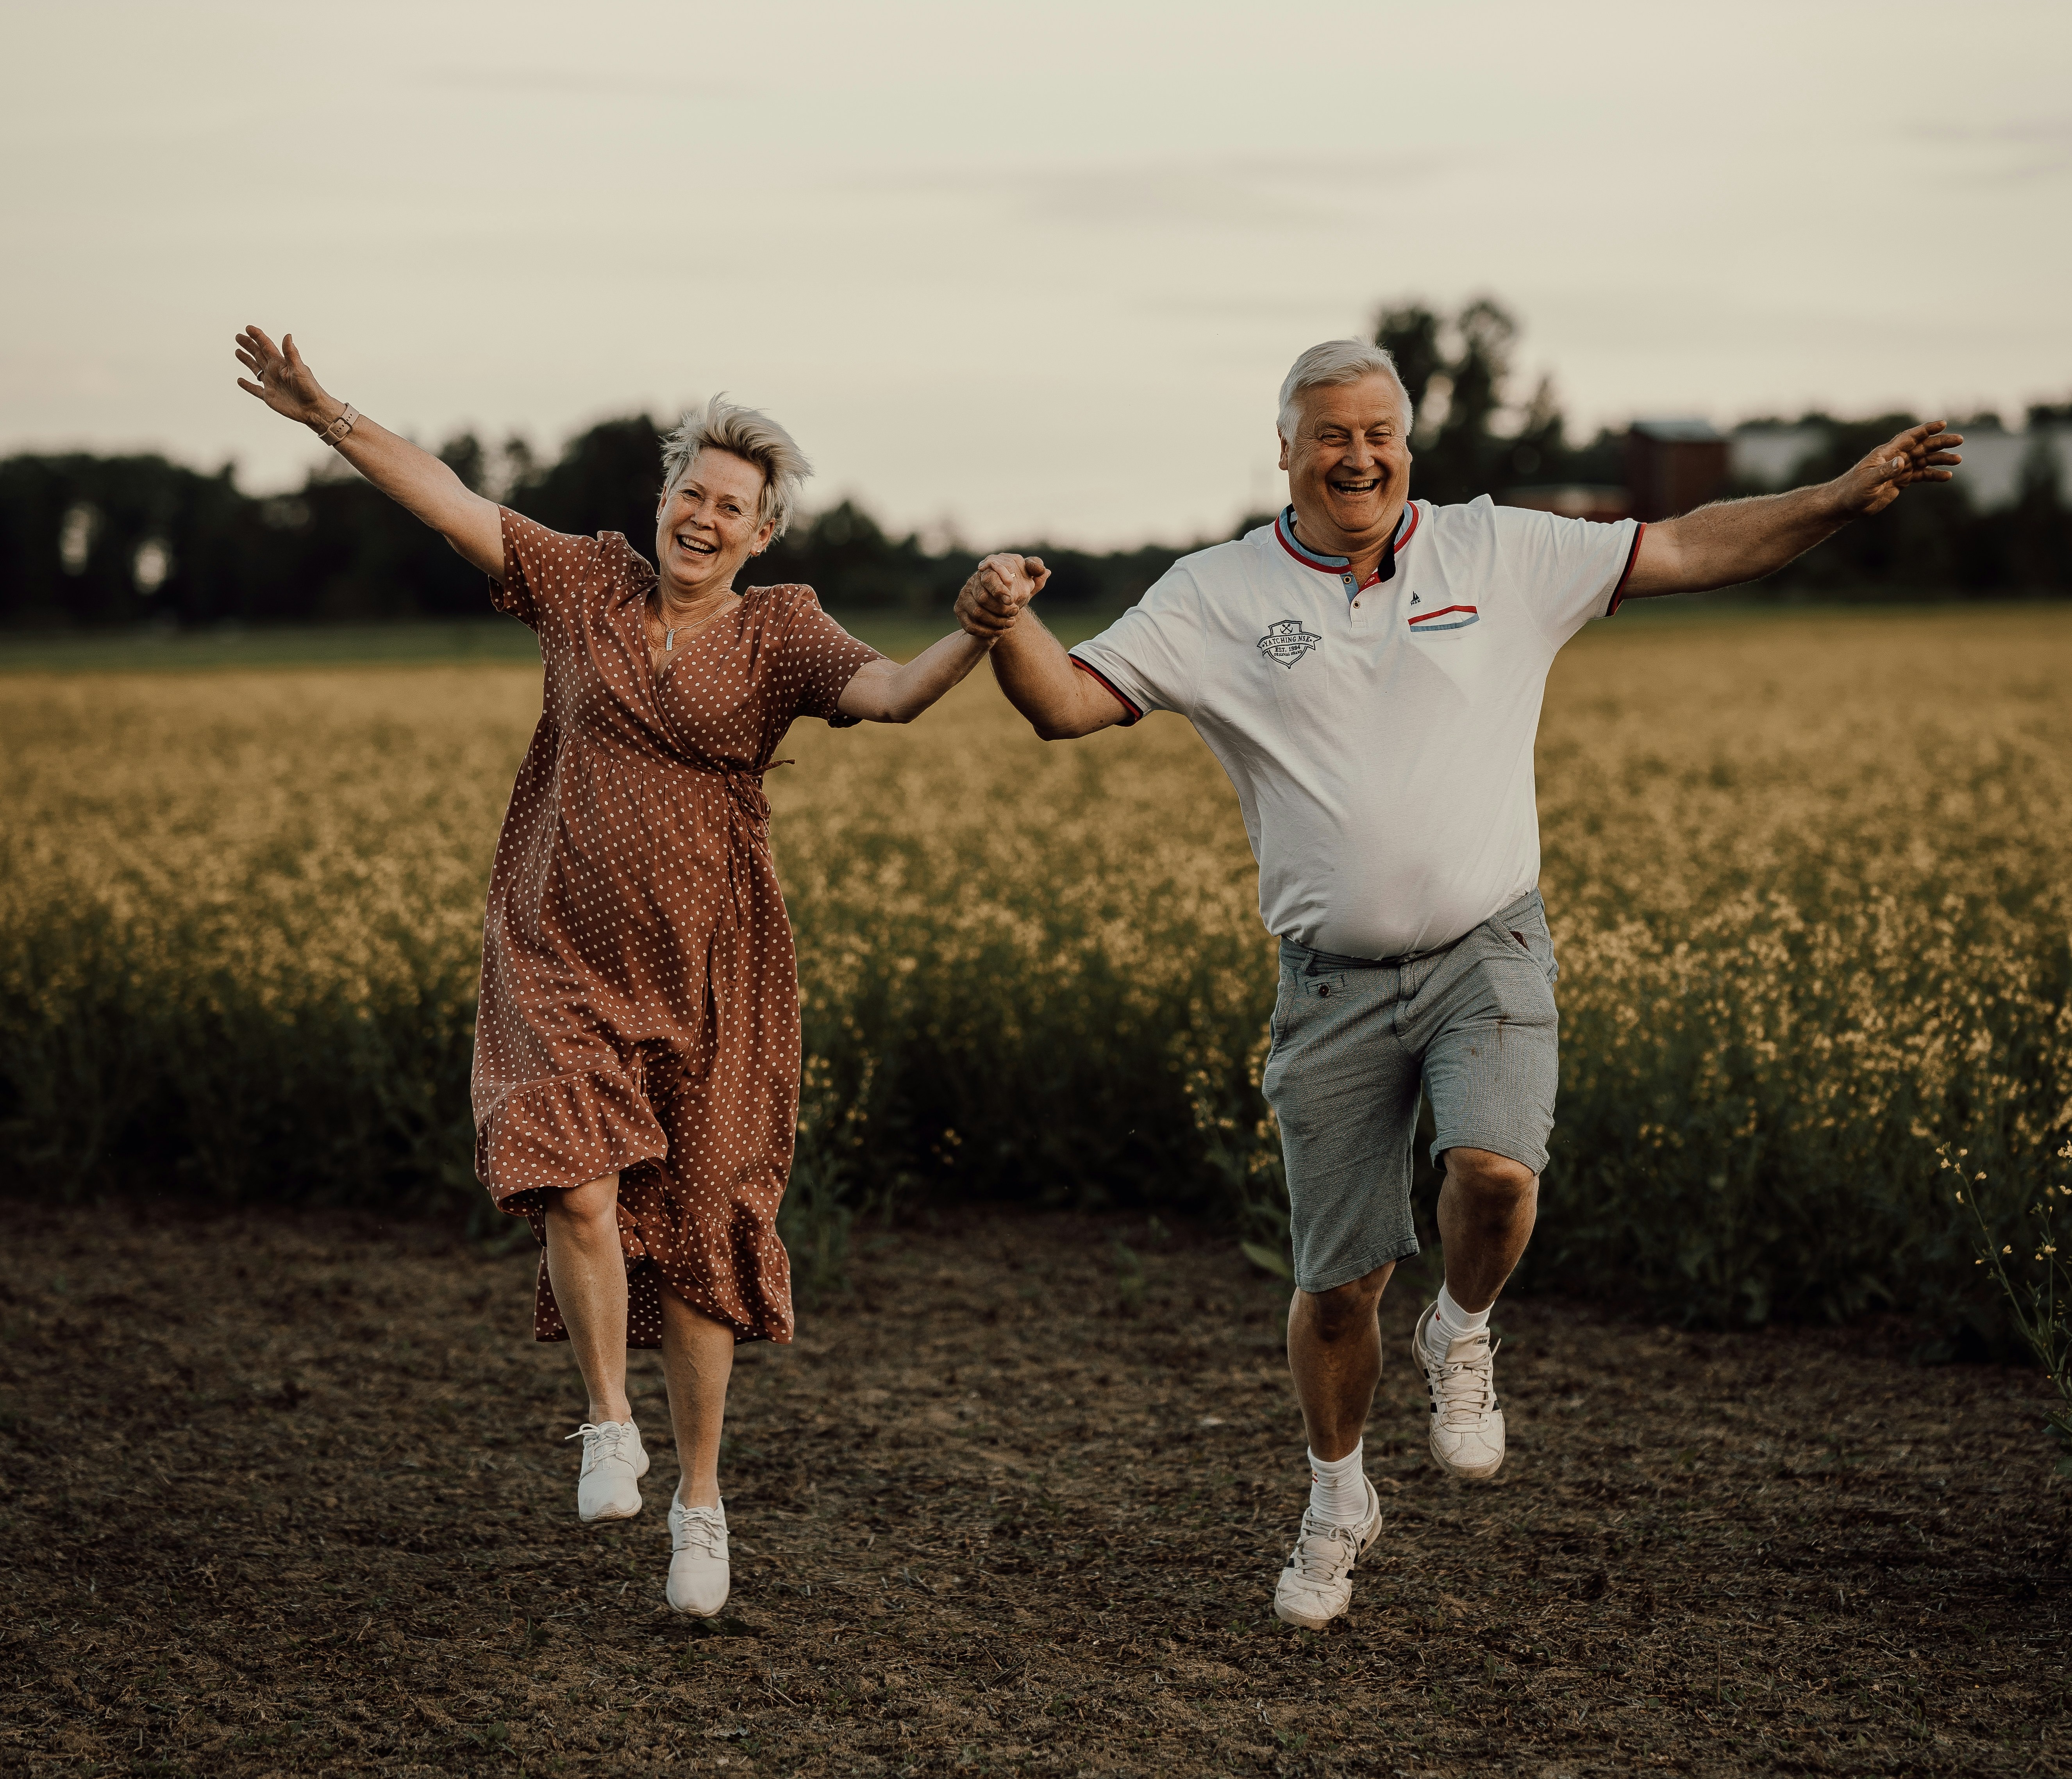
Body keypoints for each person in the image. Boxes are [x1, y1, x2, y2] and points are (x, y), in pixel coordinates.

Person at [954, 338, 1961, 1631]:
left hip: (1490, 946)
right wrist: (1004, 626)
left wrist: (1833, 498)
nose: (1356, 454)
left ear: (1408, 448)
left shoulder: (1498, 552)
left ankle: (1466, 1329)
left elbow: (1697, 545)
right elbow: (1067, 706)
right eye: (1329, 433)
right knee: (1338, 1288)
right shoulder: (1213, 595)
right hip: (1329, 987)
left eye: (1379, 431)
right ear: (1284, 449)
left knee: (1493, 1174)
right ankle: (1336, 1498)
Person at [233, 325, 1012, 1618]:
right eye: (689, 494)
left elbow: (891, 691)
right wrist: (330, 416)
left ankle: (701, 1504)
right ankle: (607, 1423)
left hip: (714, 969)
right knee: (574, 1179)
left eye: (731, 507)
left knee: (705, 1238)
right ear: (660, 503)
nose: (703, 518)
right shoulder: (585, 583)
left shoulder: (780, 634)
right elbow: (450, 499)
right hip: (557, 947)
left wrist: (975, 634)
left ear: (763, 536)